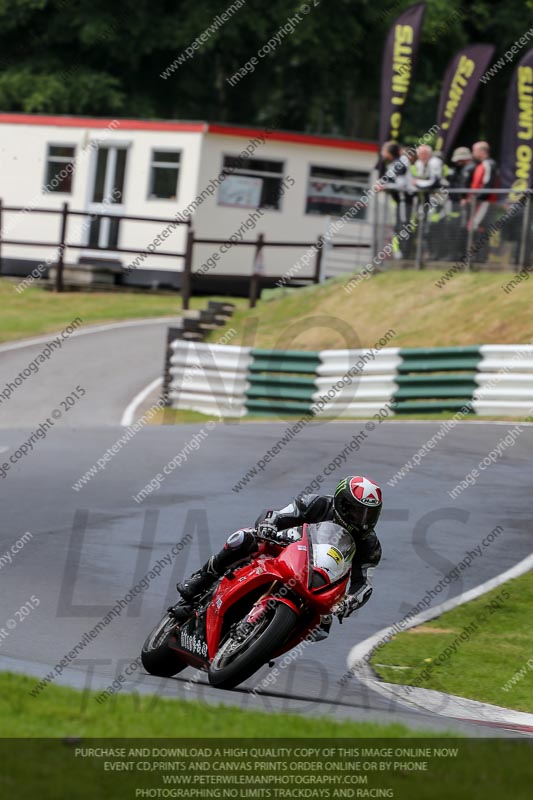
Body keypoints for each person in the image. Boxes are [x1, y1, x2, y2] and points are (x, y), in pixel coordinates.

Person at [174, 475, 383, 639]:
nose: (363, 520)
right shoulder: (317, 503)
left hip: (320, 580)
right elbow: (279, 514)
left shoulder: (370, 545)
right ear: (342, 503)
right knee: (244, 538)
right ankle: (202, 579)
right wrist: (268, 525)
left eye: (369, 514)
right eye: (357, 512)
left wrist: (350, 601)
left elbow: (364, 583)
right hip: (288, 549)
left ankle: (270, 640)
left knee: (320, 627)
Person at [462, 141, 499, 261]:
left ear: (482, 151)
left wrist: (476, 197)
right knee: (477, 226)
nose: (473, 153)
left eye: (474, 150)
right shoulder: (479, 165)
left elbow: (487, 185)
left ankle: (479, 257)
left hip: (485, 202)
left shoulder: (488, 164)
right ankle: (478, 257)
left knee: (473, 226)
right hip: (479, 201)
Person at [379, 141, 415, 259]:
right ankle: (400, 253)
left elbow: (401, 185)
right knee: (397, 226)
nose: (382, 153)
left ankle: (405, 254)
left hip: (405, 200)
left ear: (389, 152)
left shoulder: (400, 163)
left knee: (403, 226)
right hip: (398, 201)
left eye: (384, 150)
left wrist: (384, 187)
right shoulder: (393, 164)